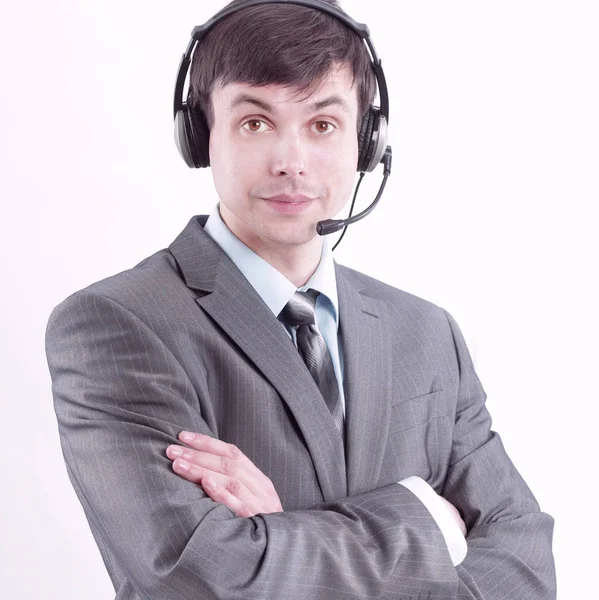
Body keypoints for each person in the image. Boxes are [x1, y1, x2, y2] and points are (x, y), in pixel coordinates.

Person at [44, 0, 556, 598]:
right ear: (200, 134)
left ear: (367, 141)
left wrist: (281, 532)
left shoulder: (428, 332)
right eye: (256, 123)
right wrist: (432, 520)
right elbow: (204, 577)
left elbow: (525, 563)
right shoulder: (116, 326)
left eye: (322, 124)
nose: (291, 163)